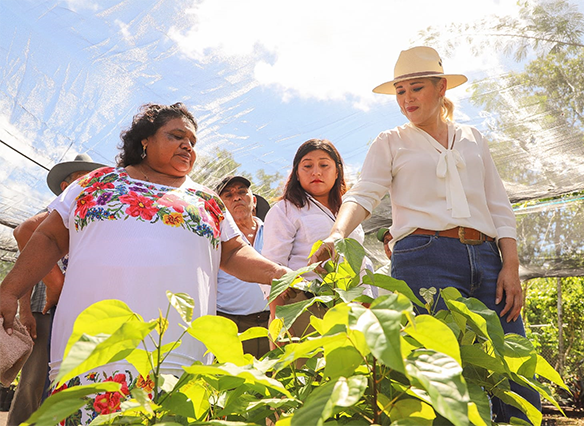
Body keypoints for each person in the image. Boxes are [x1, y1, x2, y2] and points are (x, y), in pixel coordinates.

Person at [0, 102, 289, 423]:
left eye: (192, 142)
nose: (187, 146)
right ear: (144, 142)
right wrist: (11, 290)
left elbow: (234, 253)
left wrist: (277, 274)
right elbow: (48, 238)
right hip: (94, 356)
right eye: (177, 136)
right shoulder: (95, 185)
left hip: (179, 360)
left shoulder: (207, 201)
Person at [308, 46, 540, 422]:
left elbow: (499, 206)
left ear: (441, 87)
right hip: (423, 258)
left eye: (416, 88)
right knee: (436, 373)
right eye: (400, 91)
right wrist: (336, 235)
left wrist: (510, 266)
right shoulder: (391, 141)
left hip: (487, 259)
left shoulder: (473, 138)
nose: (407, 98)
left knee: (515, 364)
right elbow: (364, 193)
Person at [6, 154, 105, 426]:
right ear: (66, 185)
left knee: (71, 379)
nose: (91, 183)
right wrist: (26, 310)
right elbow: (24, 235)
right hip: (47, 310)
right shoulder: (56, 212)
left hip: (78, 309)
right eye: (82, 177)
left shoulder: (93, 216)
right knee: (34, 380)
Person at [262, 139, 371, 340]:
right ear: (296, 172)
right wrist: (279, 321)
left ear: (337, 172)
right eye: (307, 166)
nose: (316, 172)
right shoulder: (285, 210)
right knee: (305, 368)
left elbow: (360, 264)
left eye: (324, 165)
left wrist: (367, 308)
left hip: (350, 307)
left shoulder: (348, 213)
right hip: (304, 306)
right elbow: (272, 264)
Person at [214, 175, 271, 358]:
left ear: (253, 201)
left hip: (274, 321)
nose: (236, 197)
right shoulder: (214, 240)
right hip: (231, 325)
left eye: (241, 192)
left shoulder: (275, 231)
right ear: (219, 208)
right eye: (228, 195)